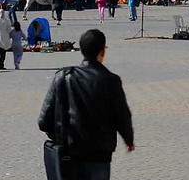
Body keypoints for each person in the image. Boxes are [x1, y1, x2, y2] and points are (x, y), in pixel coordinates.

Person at [38, 29, 135, 180]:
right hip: (99, 156)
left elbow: (43, 121)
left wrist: (61, 136)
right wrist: (129, 140)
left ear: (82, 50)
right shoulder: (110, 80)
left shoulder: (63, 77)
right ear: (103, 50)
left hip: (69, 155)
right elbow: (122, 115)